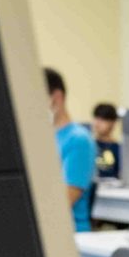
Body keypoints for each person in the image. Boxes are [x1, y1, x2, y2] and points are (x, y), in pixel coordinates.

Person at [47, 66, 96, 231]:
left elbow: (65, 200)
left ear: (56, 97)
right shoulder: (45, 139)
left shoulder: (78, 140)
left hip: (71, 235)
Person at [91, 102, 123, 180]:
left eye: (102, 119)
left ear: (113, 123)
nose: (97, 123)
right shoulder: (89, 145)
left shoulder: (119, 149)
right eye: (96, 118)